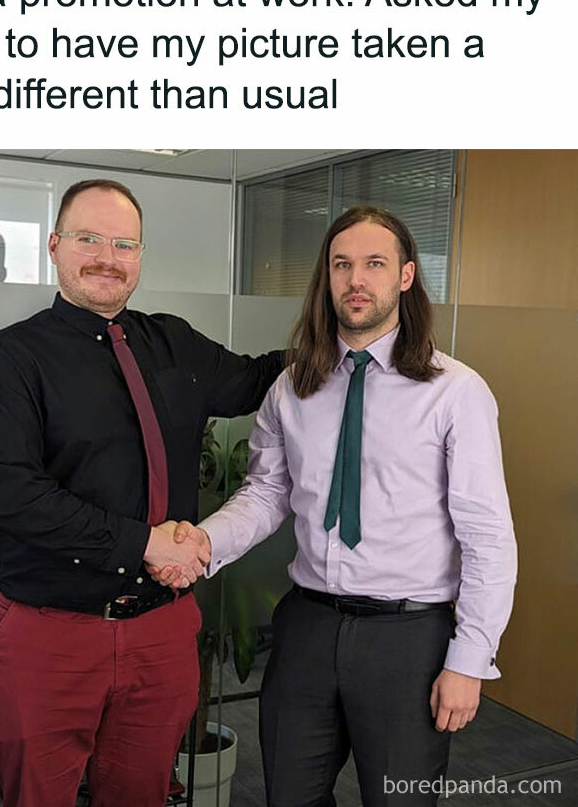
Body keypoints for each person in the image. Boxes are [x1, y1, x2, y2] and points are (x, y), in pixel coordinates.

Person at [160, 205, 518, 807]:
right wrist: (204, 542)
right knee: (290, 797)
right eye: (342, 264)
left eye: (374, 263)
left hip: (410, 637)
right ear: (327, 278)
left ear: (405, 276)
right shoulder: (294, 385)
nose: (357, 279)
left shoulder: (456, 392)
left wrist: (470, 659)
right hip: (307, 624)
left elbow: (488, 536)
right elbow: (267, 492)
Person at [0, 178, 280, 807]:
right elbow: (11, 495)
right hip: (47, 634)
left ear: (140, 255)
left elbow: (255, 382)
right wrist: (142, 545)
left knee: (141, 793)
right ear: (55, 247)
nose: (108, 257)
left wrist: (348, 341)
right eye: (89, 239)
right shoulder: (12, 356)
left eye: (124, 244)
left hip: (159, 633)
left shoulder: (173, 340)